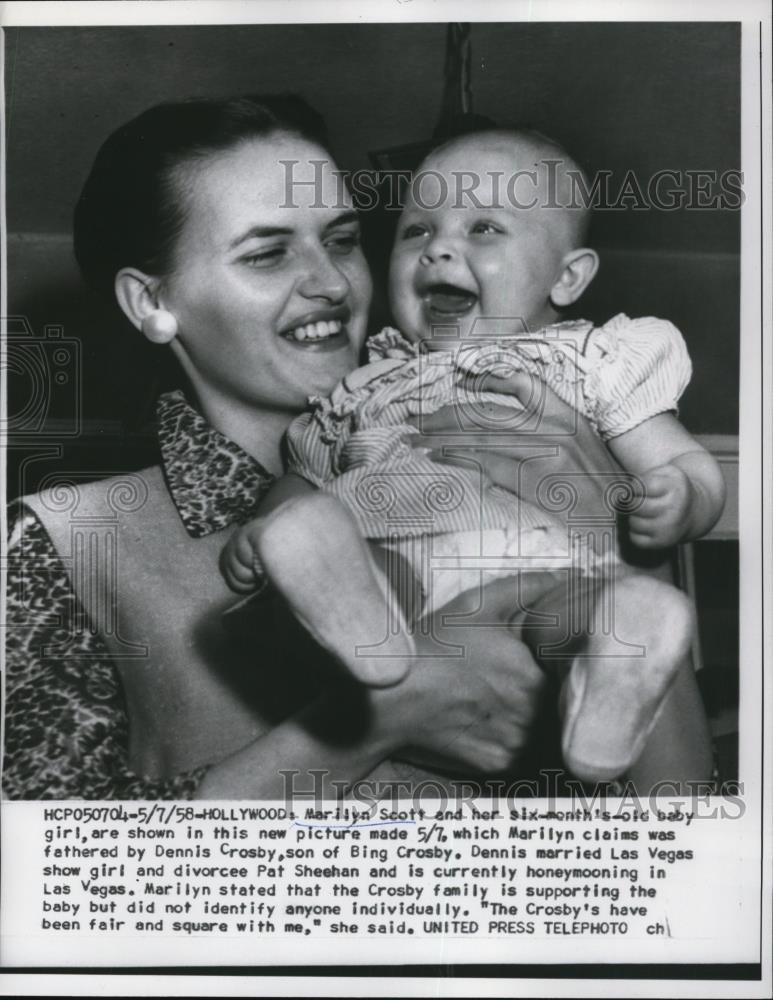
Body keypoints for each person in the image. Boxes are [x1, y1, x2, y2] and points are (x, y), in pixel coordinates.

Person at [3, 96, 661, 801]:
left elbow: (684, 840)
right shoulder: (62, 542)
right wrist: (377, 718)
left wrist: (608, 548)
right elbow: (42, 875)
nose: (332, 284)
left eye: (342, 240)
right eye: (267, 253)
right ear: (150, 303)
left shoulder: (528, 445)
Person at [222, 129, 724, 784]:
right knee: (348, 569)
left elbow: (682, 463)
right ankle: (362, 638)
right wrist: (268, 531)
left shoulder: (592, 359)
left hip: (543, 567)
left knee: (585, 617)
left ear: (566, 278)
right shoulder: (367, 384)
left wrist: (679, 496)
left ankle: (630, 715)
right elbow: (305, 480)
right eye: (415, 231)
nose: (439, 247)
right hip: (401, 575)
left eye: (483, 226)